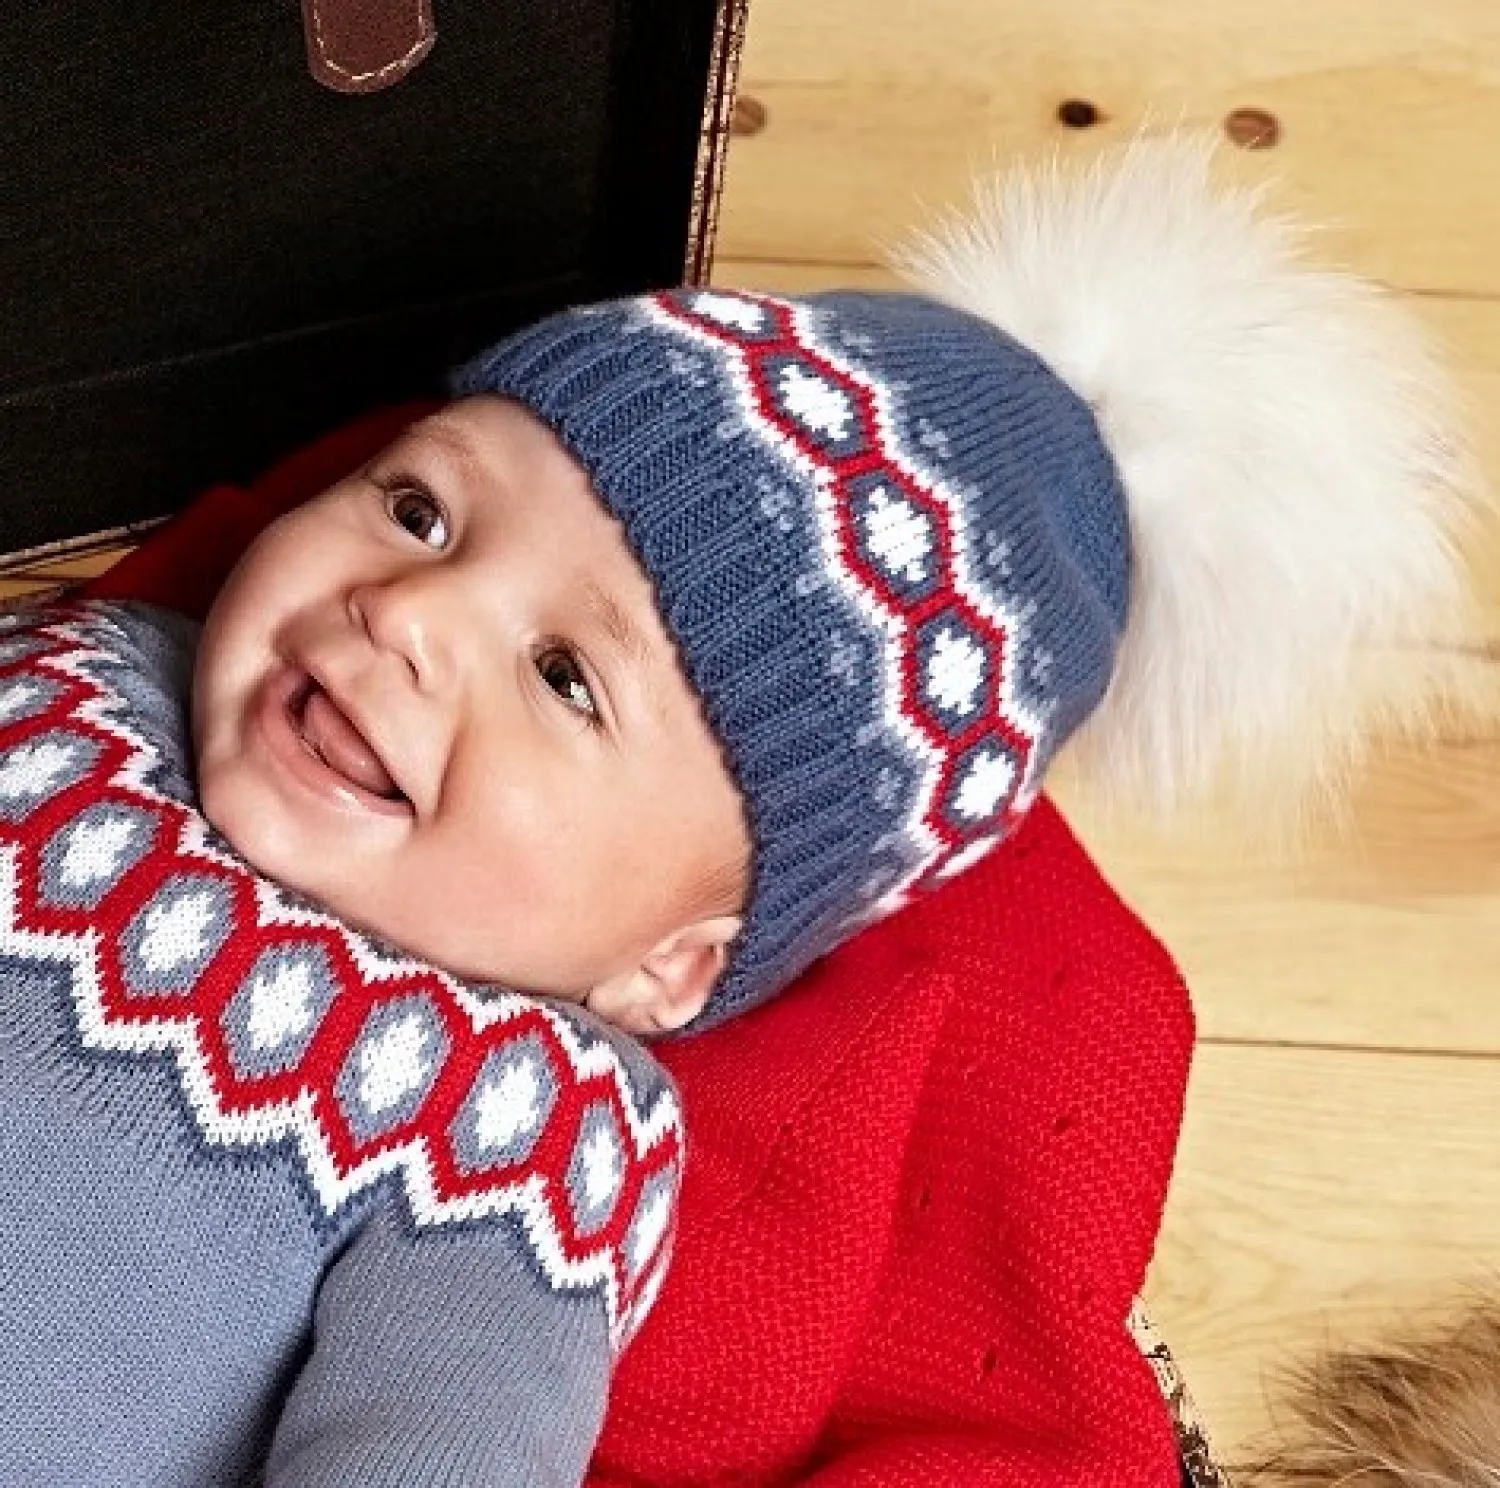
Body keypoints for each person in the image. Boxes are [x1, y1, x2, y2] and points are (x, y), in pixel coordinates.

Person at [0, 135, 1478, 1487]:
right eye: (420, 511)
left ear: (667, 965)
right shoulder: (110, 670)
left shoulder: (513, 1125)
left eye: (567, 678)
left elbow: (432, 1447)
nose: (414, 618)